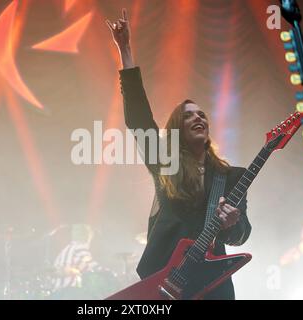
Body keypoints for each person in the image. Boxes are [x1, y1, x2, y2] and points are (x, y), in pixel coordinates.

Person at [106, 9, 252, 300]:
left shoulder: (231, 175)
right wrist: (125, 51)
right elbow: (138, 119)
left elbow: (241, 234)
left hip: (212, 286)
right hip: (167, 278)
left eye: (202, 114)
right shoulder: (165, 162)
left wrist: (233, 222)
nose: (199, 118)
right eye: (188, 116)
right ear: (176, 128)